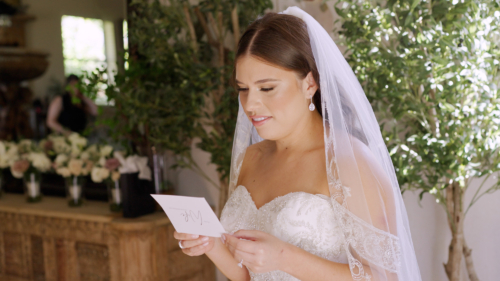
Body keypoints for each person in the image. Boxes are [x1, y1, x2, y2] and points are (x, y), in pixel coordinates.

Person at [174, 7, 422, 281]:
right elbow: (248, 276)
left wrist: (286, 257)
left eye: (267, 88)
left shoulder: (349, 163)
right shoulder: (251, 157)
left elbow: (386, 277)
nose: (250, 105)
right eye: (243, 89)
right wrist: (210, 244)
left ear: (310, 84)